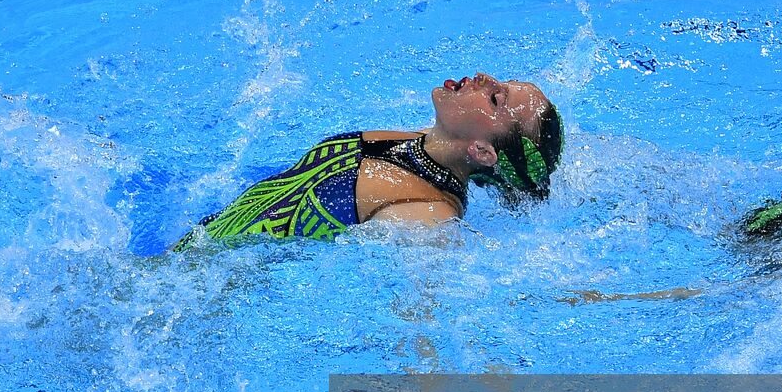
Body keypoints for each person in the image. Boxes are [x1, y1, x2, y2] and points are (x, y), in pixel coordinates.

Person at [174, 73, 565, 248]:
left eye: (497, 98)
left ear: (481, 151)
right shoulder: (415, 143)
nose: (485, 78)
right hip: (197, 241)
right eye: (503, 83)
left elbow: (417, 315)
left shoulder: (426, 215)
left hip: (214, 288)